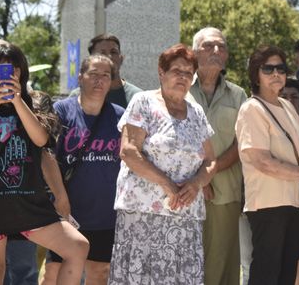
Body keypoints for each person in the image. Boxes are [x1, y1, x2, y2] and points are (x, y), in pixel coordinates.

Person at [0, 42, 89, 285]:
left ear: (22, 72)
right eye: (1, 70)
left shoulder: (36, 103)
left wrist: (18, 101)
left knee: (77, 247)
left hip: (28, 204)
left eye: (14, 70)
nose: (8, 75)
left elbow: (41, 140)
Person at [109, 44, 216, 284]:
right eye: (176, 70)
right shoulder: (143, 102)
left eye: (188, 73)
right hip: (143, 213)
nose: (183, 77)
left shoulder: (197, 112)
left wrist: (197, 183)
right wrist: (167, 184)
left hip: (185, 216)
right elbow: (128, 151)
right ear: (161, 72)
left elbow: (210, 160)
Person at [235, 45, 299, 285]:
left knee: (287, 274)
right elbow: (263, 162)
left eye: (281, 68)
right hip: (267, 203)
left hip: (294, 201)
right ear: (256, 74)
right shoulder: (251, 109)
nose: (276, 73)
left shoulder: (286, 105)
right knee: (267, 273)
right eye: (268, 68)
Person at [44, 55, 125, 285]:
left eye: (105, 76)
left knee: (99, 274)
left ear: (111, 82)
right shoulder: (61, 111)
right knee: (54, 274)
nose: (99, 80)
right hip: (65, 212)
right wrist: (59, 197)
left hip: (104, 214)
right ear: (80, 77)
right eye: (93, 74)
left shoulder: (120, 116)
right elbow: (46, 155)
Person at [188, 27, 248, 285]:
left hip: (226, 192)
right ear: (194, 53)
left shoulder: (238, 95)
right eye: (208, 46)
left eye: (221, 47)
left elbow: (241, 143)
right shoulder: (179, 91)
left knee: (223, 265)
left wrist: (208, 174)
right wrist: (198, 180)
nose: (216, 51)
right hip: (184, 191)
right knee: (187, 263)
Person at [69, 34, 142, 108]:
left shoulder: (137, 97)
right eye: (102, 53)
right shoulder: (78, 95)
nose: (109, 57)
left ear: (121, 58)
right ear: (91, 59)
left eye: (113, 52)